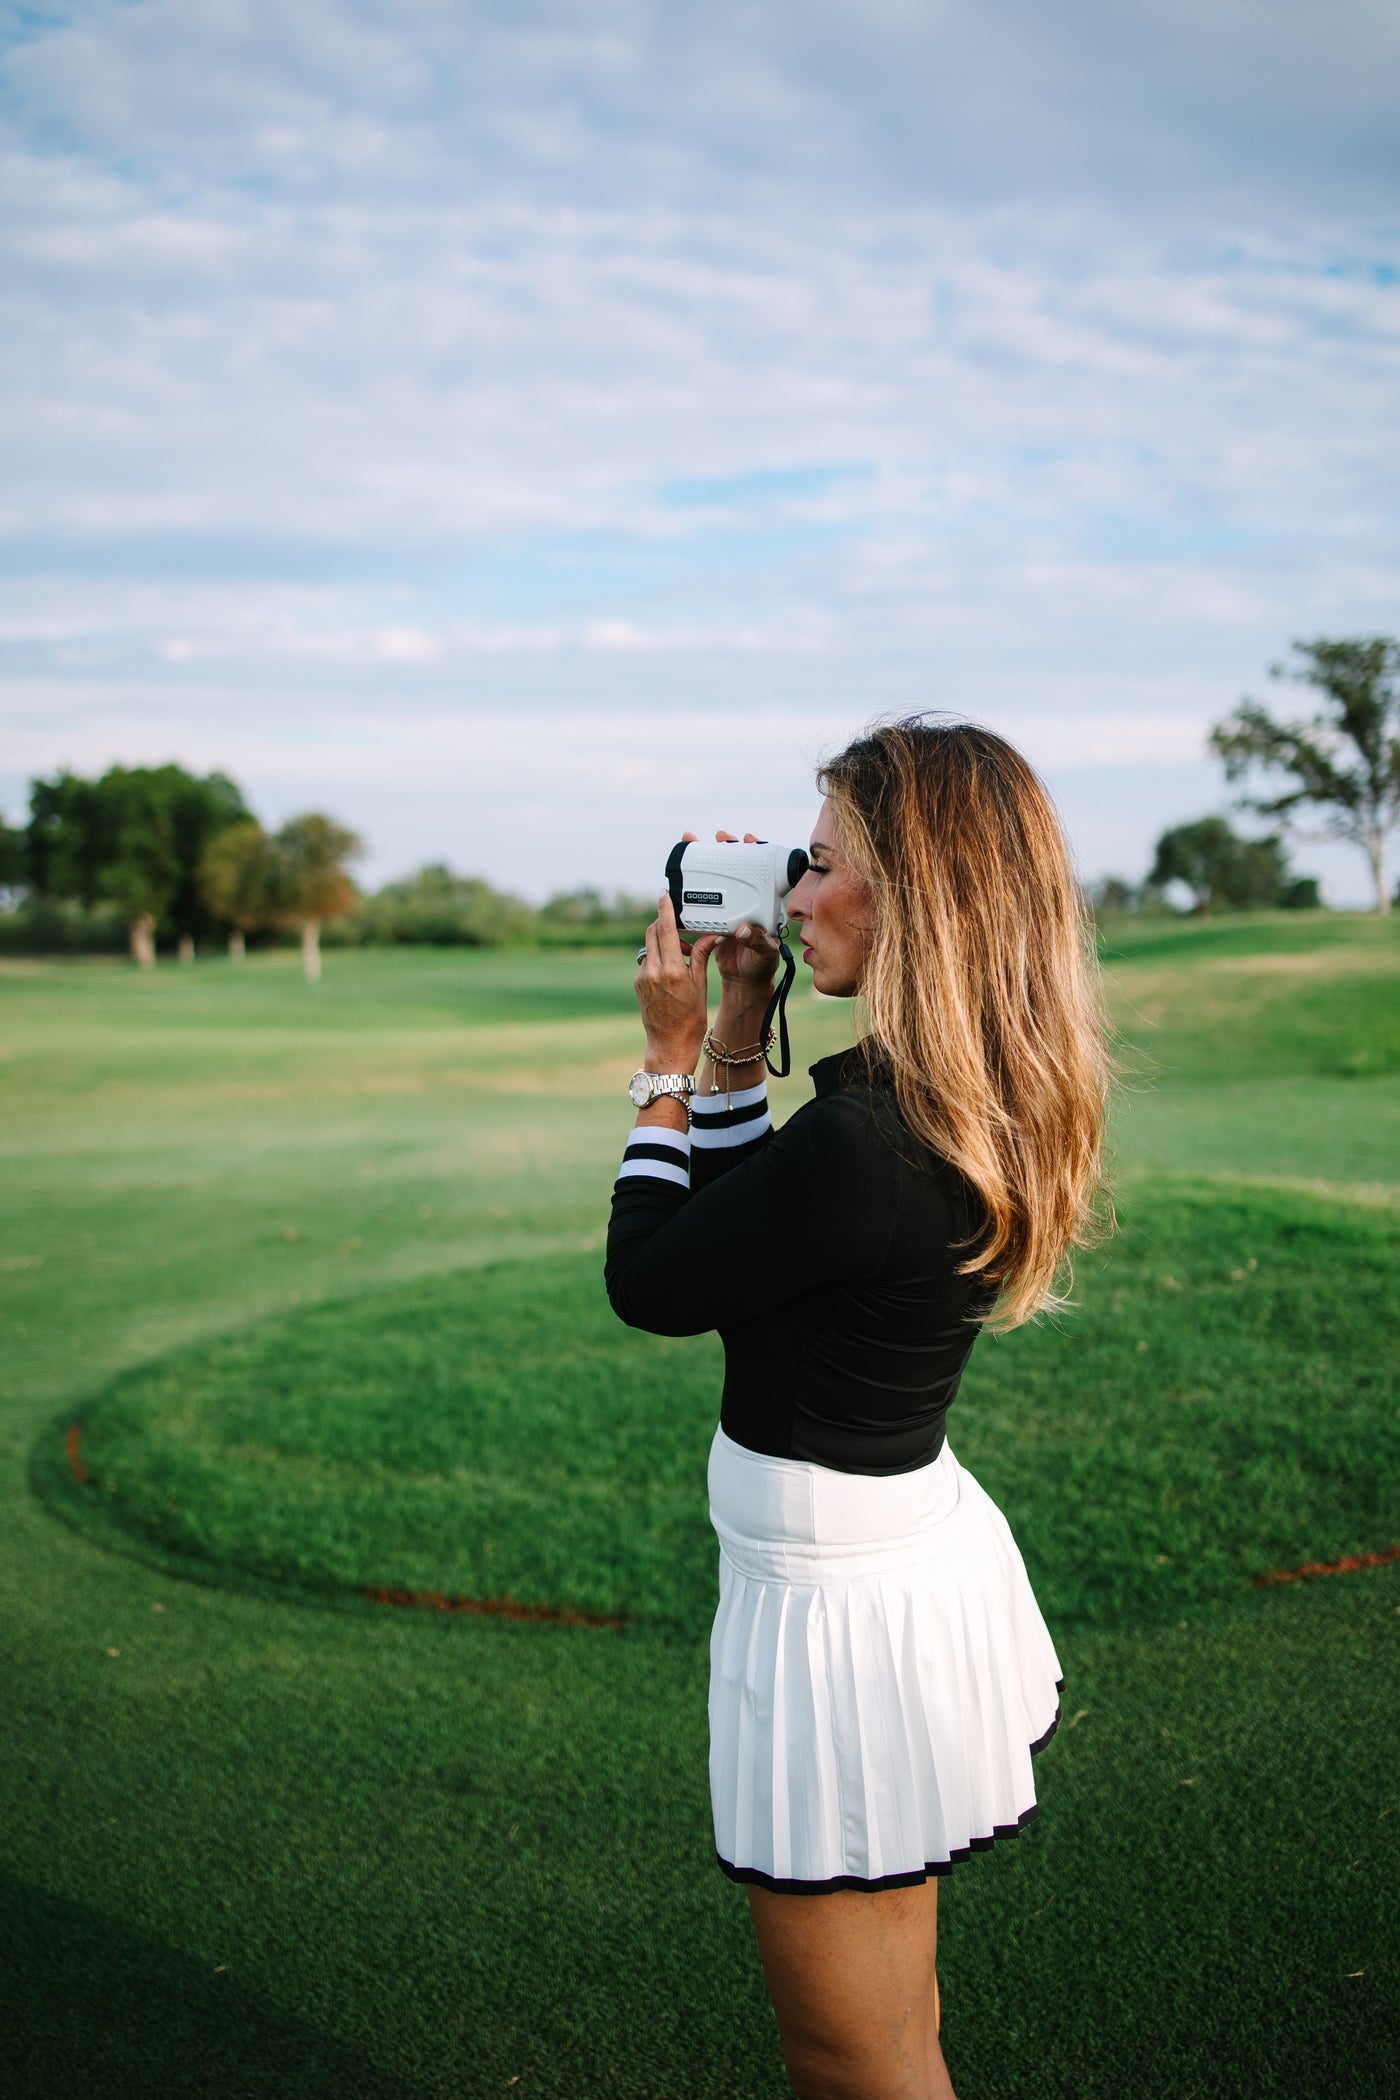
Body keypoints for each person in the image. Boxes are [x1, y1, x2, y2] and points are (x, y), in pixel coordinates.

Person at [605, 718, 1111, 2100]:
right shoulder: (952, 1099)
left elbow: (654, 1279)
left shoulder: (864, 1140)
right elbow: (748, 1243)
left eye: (821, 864)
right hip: (898, 1562)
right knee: (897, 2029)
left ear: (921, 899)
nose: (794, 895)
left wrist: (661, 1061)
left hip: (839, 1620)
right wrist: (728, 1035)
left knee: (853, 2056)